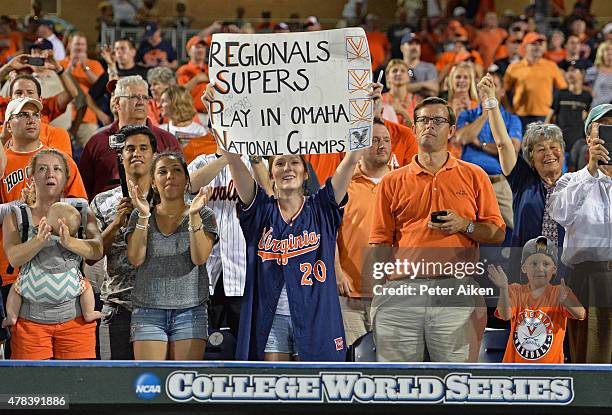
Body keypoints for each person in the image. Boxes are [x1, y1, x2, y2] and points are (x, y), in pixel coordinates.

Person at [211, 77, 374, 360]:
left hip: (314, 315)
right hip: (270, 317)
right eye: (280, 163)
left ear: (305, 172)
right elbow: (235, 161)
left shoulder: (322, 207)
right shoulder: (260, 210)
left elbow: (352, 158)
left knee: (317, 390)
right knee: (274, 388)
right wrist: (219, 114)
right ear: (271, 174)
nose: (287, 168)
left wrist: (366, 113)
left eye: (294, 162)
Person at [369, 96, 505, 362]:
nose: (429, 126)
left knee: (458, 384)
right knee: (398, 389)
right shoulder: (391, 182)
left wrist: (464, 225)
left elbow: (497, 233)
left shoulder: (475, 174)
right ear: (415, 128)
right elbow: (380, 242)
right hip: (401, 292)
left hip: (455, 291)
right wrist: (380, 290)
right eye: (423, 120)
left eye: (438, 120)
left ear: (452, 130)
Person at [3, 148, 101, 360]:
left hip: (76, 321)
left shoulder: (81, 210)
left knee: (77, 387)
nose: (50, 174)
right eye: (42, 169)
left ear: (65, 177)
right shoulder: (17, 215)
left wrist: (70, 242)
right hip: (30, 323)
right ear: (31, 176)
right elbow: (14, 257)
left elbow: (97, 250)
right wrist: (39, 240)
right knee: (33, 389)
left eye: (57, 169)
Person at [0, 97, 87, 324]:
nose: (31, 120)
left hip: (59, 266)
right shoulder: (3, 162)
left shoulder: (60, 161)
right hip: (11, 266)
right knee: (17, 346)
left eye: (35, 115)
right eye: (23, 115)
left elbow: (80, 209)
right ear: (8, 125)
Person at [126, 151, 217, 360]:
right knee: (150, 385)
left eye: (176, 170)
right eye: (162, 171)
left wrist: (193, 216)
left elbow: (199, 258)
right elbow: (136, 258)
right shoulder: (139, 214)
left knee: (184, 384)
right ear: (154, 182)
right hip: (148, 312)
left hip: (191, 312)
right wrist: (143, 215)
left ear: (187, 180)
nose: (170, 176)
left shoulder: (204, 214)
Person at [550, 103, 612, 363]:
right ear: (589, 138)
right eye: (604, 128)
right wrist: (591, 171)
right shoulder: (570, 180)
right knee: (592, 361)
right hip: (590, 281)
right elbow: (560, 213)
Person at [91, 124, 156, 359]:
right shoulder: (102, 201)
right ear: (121, 156)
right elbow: (91, 255)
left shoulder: (170, 199)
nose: (136, 153)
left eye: (143, 148)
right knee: (113, 387)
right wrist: (116, 223)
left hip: (160, 308)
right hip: (117, 306)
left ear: (154, 155)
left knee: (154, 385)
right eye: (129, 149)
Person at [484, 75, 566, 248]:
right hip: (523, 268)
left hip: (565, 269)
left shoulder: (575, 184)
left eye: (554, 147)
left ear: (563, 151)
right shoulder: (523, 179)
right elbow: (503, 144)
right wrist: (492, 101)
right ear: (530, 157)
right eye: (540, 149)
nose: (549, 153)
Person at [2, 200, 103, 328]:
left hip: (32, 286)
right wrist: (71, 241)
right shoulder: (72, 242)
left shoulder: (36, 233)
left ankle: (11, 316)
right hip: (69, 287)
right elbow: (91, 253)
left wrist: (38, 237)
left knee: (15, 289)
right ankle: (89, 312)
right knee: (87, 287)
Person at [78, 75, 180, 199]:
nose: (141, 102)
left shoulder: (167, 140)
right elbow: (82, 188)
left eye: (145, 97)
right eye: (134, 97)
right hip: (106, 214)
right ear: (117, 103)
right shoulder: (97, 141)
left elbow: (179, 184)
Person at [336, 118, 391, 346]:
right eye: (375, 140)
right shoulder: (343, 184)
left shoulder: (403, 182)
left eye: (386, 140)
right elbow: (329, 232)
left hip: (392, 296)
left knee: (391, 366)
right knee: (353, 365)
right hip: (350, 296)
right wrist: (337, 270)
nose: (382, 145)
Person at [487, 236, 585, 363]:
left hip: (551, 373)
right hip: (515, 369)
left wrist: (567, 301)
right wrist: (504, 289)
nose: (540, 268)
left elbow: (581, 314)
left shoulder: (560, 291)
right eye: (534, 264)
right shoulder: (514, 290)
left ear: (554, 269)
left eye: (546, 264)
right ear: (524, 268)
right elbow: (505, 315)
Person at [456, 72, 522, 233]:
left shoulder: (512, 119)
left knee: (516, 227)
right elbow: (462, 138)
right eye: (482, 88)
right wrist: (486, 114)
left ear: (501, 92)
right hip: (468, 183)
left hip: (498, 182)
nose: (486, 91)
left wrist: (481, 144)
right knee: (464, 227)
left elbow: (512, 149)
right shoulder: (467, 115)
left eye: (492, 86)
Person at [503, 32, 568, 131]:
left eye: (540, 44)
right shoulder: (514, 68)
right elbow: (504, 92)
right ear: (525, 47)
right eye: (533, 44)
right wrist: (509, 109)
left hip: (545, 117)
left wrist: (554, 112)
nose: (537, 47)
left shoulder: (551, 66)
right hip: (520, 116)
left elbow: (563, 90)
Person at [59, 32, 105, 147]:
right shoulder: (60, 64)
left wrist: (86, 68)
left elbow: (100, 85)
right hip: (63, 118)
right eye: (77, 44)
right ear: (69, 45)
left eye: (82, 45)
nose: (79, 47)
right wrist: (69, 68)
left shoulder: (94, 64)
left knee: (90, 154)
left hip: (87, 119)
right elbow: (58, 84)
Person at [546, 61, 592, 171]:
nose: (570, 74)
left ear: (582, 74)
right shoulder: (560, 94)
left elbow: (589, 120)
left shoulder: (587, 96)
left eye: (574, 70)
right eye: (568, 71)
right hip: (560, 141)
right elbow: (549, 117)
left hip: (578, 142)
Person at [176, 36, 210, 118]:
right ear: (189, 52)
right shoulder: (184, 70)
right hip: (194, 115)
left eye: (202, 47)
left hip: (212, 114)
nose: (201, 50)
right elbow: (181, 92)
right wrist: (197, 79)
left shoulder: (211, 68)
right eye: (197, 47)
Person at [400, 33, 439, 98]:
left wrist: (410, 87)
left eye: (417, 44)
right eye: (410, 43)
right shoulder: (397, 68)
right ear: (401, 48)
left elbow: (434, 91)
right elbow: (399, 90)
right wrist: (423, 85)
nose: (414, 47)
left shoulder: (429, 67)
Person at [382, 59, 417, 127]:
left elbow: (417, 129)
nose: (399, 73)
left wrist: (403, 112)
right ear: (388, 77)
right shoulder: (380, 99)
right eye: (394, 71)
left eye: (403, 71)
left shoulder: (416, 101)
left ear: (408, 77)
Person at [585, 41, 612, 109]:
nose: (610, 52)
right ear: (601, 53)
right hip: (597, 108)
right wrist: (590, 90)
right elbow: (579, 84)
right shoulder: (594, 70)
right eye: (607, 50)